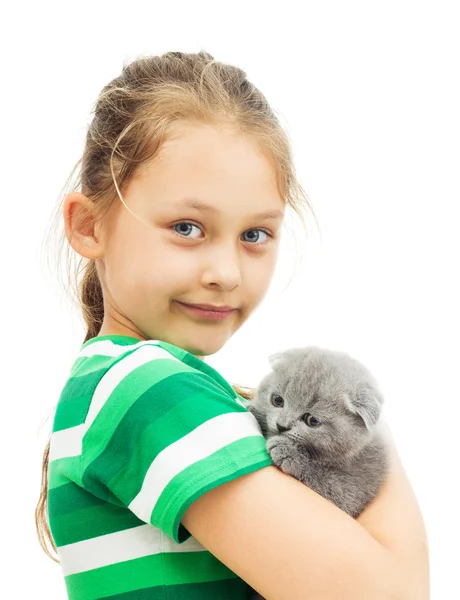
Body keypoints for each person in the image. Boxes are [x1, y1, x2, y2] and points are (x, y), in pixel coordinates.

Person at [36, 50, 429, 599]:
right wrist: (362, 418)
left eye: (255, 235)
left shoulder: (134, 386)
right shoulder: (141, 386)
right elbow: (389, 593)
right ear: (89, 224)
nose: (225, 273)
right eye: (187, 227)